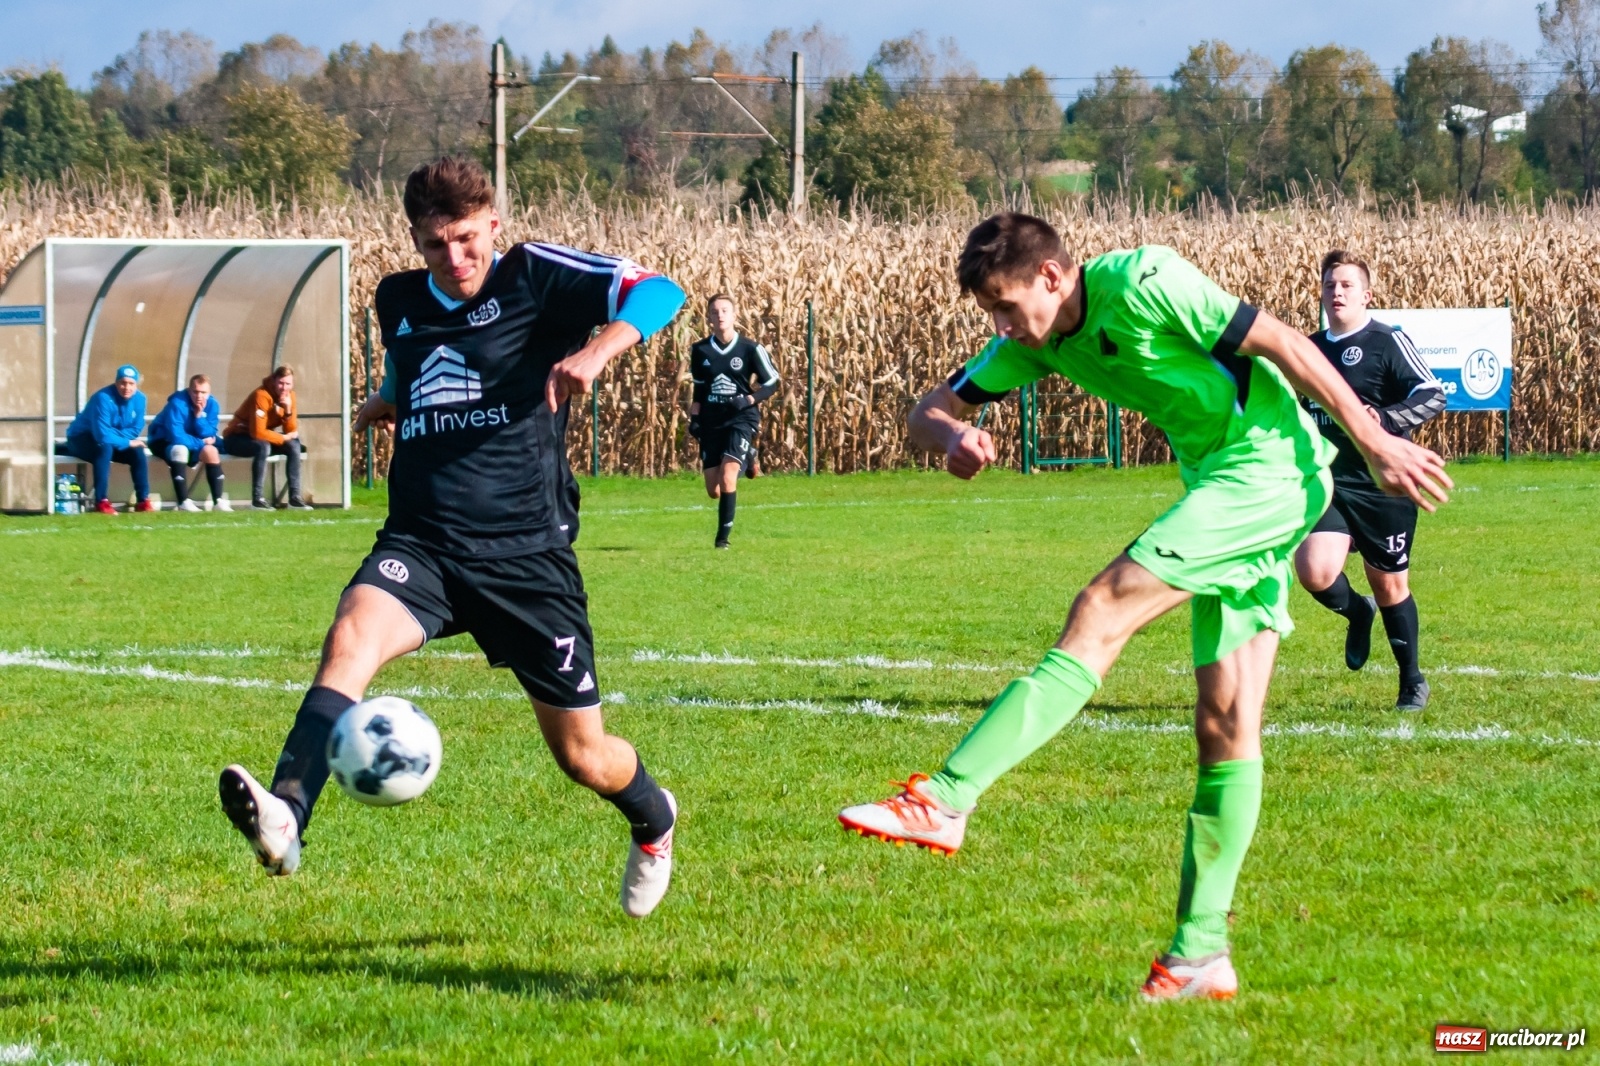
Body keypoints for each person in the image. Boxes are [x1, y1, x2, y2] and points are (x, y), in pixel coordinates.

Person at [836, 213, 1450, 1001]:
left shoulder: (1146, 280)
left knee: (1100, 609)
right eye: (989, 312)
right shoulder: (1040, 340)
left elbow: (1287, 345)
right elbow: (928, 407)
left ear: (1052, 278)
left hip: (1267, 471)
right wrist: (950, 434)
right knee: (1226, 725)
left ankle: (944, 798)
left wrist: (1373, 440)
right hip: (1226, 483)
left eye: (1005, 305)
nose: (1000, 325)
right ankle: (1200, 956)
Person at [217, 156, 688, 918]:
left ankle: (653, 818)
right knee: (349, 643)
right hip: (424, 539)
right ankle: (287, 813)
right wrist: (388, 397)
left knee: (583, 757)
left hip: (524, 554)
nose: (455, 258)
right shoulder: (396, 298)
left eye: (468, 239)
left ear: (493, 225)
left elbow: (661, 290)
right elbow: (426, 364)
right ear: (415, 239)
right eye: (436, 244)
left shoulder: (534, 275)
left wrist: (597, 351)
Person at [1295, 251, 1444, 712]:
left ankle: (1412, 681)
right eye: (1329, 285)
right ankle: (1357, 612)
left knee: (1390, 585)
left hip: (1382, 485)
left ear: (1367, 295)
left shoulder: (1386, 342)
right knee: (1315, 572)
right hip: (1329, 480)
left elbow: (1432, 394)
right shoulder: (1308, 348)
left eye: (1345, 285)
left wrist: (1384, 417)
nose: (1336, 292)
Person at [687, 293, 780, 547]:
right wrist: (694, 417)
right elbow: (699, 390)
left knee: (729, 476)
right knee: (714, 491)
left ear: (734, 315)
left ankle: (722, 541)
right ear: (708, 317)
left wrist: (749, 400)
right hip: (711, 421)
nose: (720, 316)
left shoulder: (750, 349)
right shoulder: (700, 350)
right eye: (715, 312)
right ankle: (749, 456)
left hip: (741, 418)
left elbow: (772, 382)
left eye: (725, 311)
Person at [57, 363, 153, 515]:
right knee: (105, 447)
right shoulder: (103, 398)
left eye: (131, 384)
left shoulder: (140, 399)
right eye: (123, 383)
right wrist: (125, 441)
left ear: (136, 385)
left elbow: (135, 428)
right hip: (81, 438)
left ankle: (143, 501)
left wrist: (116, 437)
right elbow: (101, 434)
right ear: (116, 383)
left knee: (137, 452)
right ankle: (101, 501)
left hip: (110, 440)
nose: (126, 387)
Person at [222, 365, 309, 510]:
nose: (284, 387)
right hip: (236, 438)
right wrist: (284, 438)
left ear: (292, 384)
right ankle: (258, 500)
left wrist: (287, 411)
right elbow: (258, 433)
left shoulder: (290, 396)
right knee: (263, 446)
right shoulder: (261, 395)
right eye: (281, 383)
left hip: (260, 437)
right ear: (274, 381)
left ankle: (294, 498)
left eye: (288, 384)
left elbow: (291, 430)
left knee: (294, 445)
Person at [148, 374, 230, 512]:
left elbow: (210, 432)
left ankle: (218, 502)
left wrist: (199, 417)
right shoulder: (177, 403)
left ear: (209, 393)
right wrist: (201, 442)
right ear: (189, 390)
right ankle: (183, 502)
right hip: (162, 440)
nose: (199, 396)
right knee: (180, 450)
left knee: (211, 451)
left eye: (203, 392)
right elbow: (176, 435)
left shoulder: (212, 404)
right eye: (195, 391)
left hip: (192, 441)